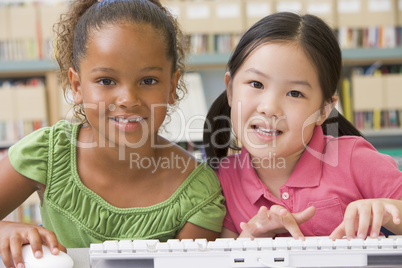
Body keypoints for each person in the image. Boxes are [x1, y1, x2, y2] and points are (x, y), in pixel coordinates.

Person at [0, 0, 225, 267]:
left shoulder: (199, 194)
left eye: (148, 81)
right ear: (77, 85)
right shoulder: (47, 153)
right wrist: (5, 231)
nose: (128, 99)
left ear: (173, 86)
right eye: (106, 81)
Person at [203, 12, 402, 241]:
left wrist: (387, 210)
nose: (269, 108)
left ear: (324, 109)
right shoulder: (223, 179)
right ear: (230, 90)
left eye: (295, 93)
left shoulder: (353, 159)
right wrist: (250, 238)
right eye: (256, 84)